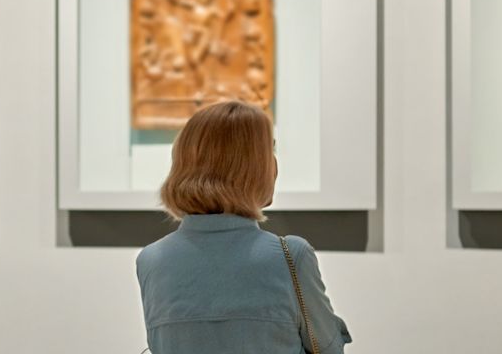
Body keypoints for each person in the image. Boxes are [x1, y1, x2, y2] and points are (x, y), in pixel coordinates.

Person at [136, 101, 352, 353]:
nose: (274, 164)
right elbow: (329, 349)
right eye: (269, 151)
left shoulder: (151, 260)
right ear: (252, 167)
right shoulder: (291, 257)